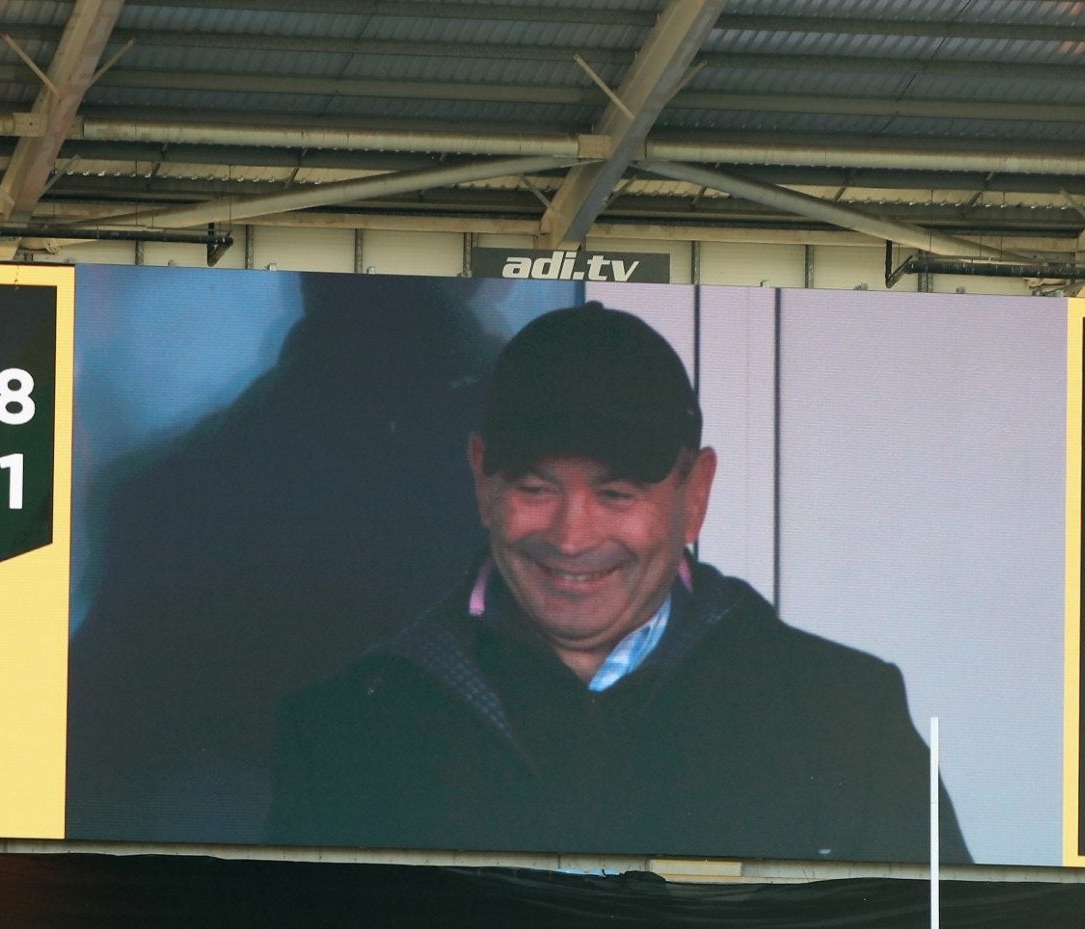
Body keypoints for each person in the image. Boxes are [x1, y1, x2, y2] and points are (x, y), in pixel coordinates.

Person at [266, 301, 969, 861]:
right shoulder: (341, 732)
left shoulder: (848, 718)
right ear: (481, 477)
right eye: (536, 487)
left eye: (617, 493)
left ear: (696, 492)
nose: (572, 538)